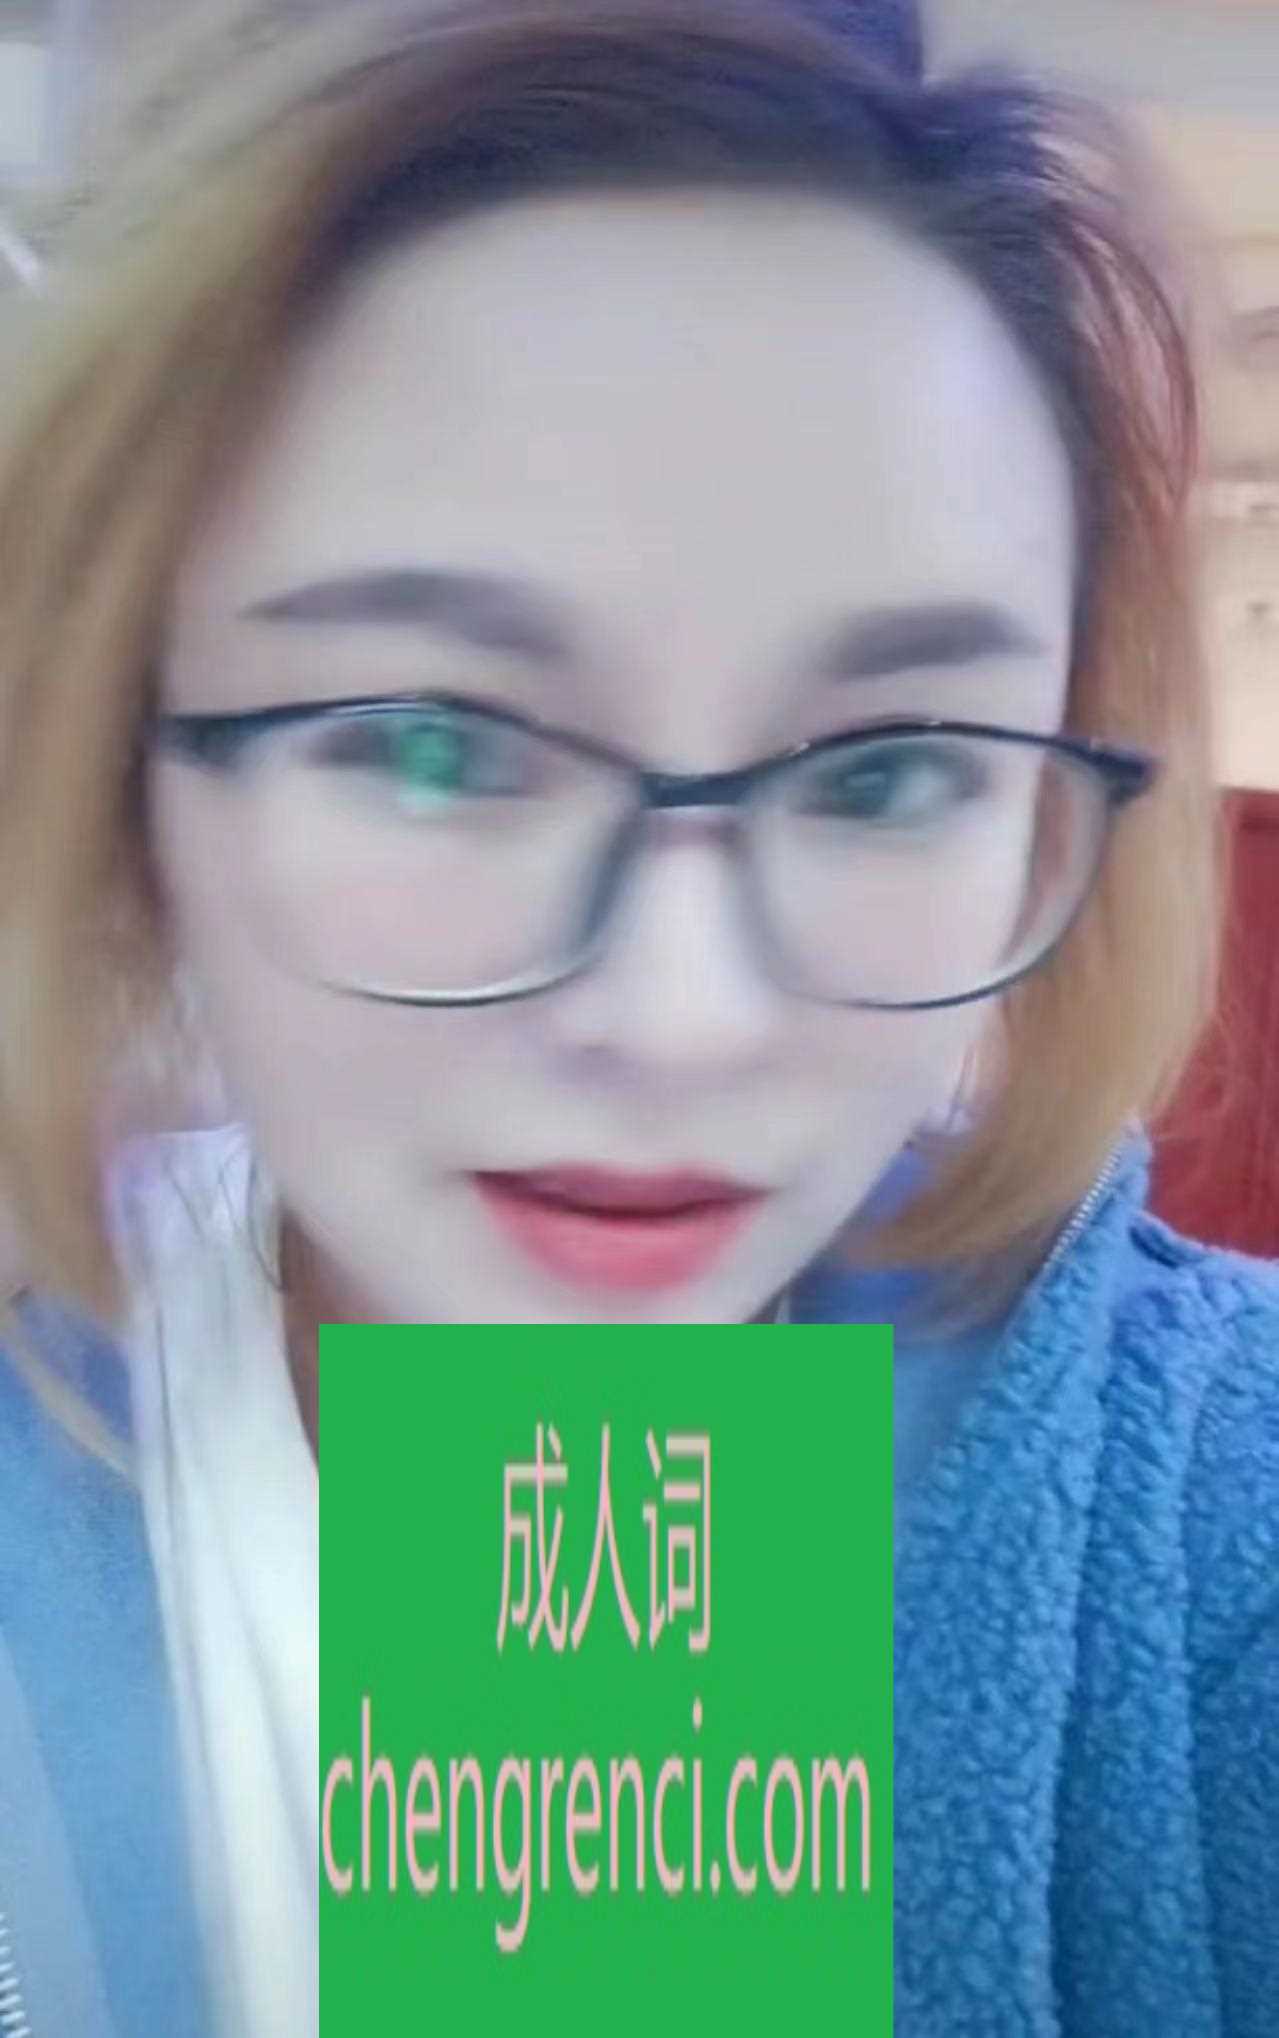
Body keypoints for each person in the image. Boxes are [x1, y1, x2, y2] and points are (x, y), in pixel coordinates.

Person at [0, 2, 1275, 2033]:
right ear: (126, 761)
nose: (683, 1023)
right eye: (434, 745)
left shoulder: (1205, 1499)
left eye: (885, 767)